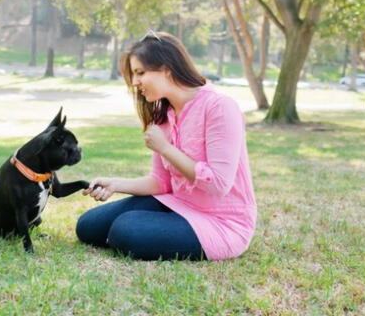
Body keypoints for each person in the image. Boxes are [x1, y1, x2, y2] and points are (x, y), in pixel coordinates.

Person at [76, 31, 257, 261]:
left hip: (221, 222)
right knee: (88, 226)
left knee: (125, 230)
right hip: (177, 204)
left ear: (167, 68)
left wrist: (166, 149)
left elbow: (219, 184)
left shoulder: (220, 107)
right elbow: (160, 182)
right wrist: (116, 184)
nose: (135, 82)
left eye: (140, 73)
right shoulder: (164, 116)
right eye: (134, 75)